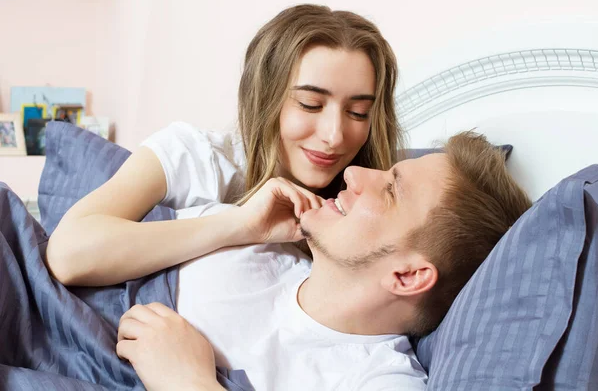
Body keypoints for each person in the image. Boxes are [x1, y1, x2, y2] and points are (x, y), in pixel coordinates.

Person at [114, 131, 533, 391]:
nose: (355, 174)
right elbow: (67, 262)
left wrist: (187, 383)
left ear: (407, 276)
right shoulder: (242, 241)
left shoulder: (378, 380)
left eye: (389, 190)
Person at [45, 3, 402, 286]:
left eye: (358, 112)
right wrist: (240, 225)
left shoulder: (375, 197)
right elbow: (69, 254)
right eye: (310, 104)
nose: (335, 135)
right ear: (264, 99)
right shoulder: (196, 156)